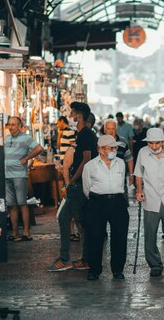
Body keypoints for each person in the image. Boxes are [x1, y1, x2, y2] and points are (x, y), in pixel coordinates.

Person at [47, 102, 98, 272]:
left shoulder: (85, 134)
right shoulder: (83, 134)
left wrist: (73, 181)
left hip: (80, 184)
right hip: (82, 183)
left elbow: (86, 159)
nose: (70, 116)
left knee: (63, 217)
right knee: (81, 221)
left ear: (79, 115)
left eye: (72, 113)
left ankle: (64, 259)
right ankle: (85, 259)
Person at [134, 128, 164, 278]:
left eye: (157, 143)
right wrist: (138, 190)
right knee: (150, 234)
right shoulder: (143, 152)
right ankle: (155, 265)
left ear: (162, 142)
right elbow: (138, 174)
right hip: (151, 199)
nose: (154, 147)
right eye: (151, 143)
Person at [82, 135, 130, 281]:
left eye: (115, 148)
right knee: (95, 236)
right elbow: (86, 188)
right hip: (97, 202)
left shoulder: (121, 163)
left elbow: (122, 183)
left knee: (120, 237)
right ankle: (94, 270)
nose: (115, 150)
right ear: (101, 149)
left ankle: (118, 270)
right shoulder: (90, 166)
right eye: (111, 148)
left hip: (118, 202)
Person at [5, 116, 43, 242]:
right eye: (9, 124)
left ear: (19, 126)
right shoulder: (5, 139)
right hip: (6, 176)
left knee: (22, 204)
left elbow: (39, 148)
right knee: (11, 205)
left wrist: (26, 158)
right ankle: (15, 233)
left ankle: (27, 232)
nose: (10, 127)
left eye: (13, 125)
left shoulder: (25, 138)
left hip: (19, 175)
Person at [103, 119, 134, 188]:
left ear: (116, 130)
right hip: (104, 182)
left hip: (120, 181)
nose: (111, 131)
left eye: (113, 129)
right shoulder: (100, 142)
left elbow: (129, 159)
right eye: (108, 129)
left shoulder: (122, 142)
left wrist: (131, 174)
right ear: (104, 129)